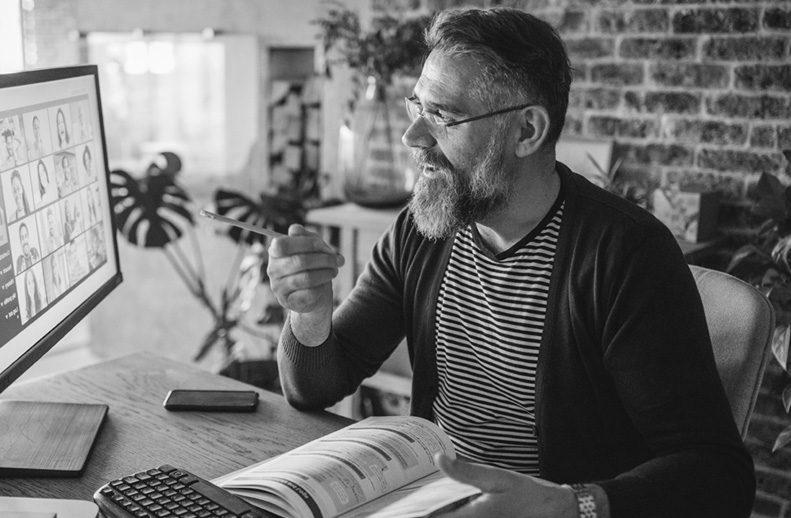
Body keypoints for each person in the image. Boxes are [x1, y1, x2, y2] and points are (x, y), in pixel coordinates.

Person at [267, 7, 754, 518]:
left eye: (443, 115)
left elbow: (719, 475)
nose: (414, 138)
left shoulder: (626, 254)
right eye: (418, 106)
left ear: (527, 131)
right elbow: (318, 385)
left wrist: (572, 506)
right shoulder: (426, 226)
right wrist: (309, 313)